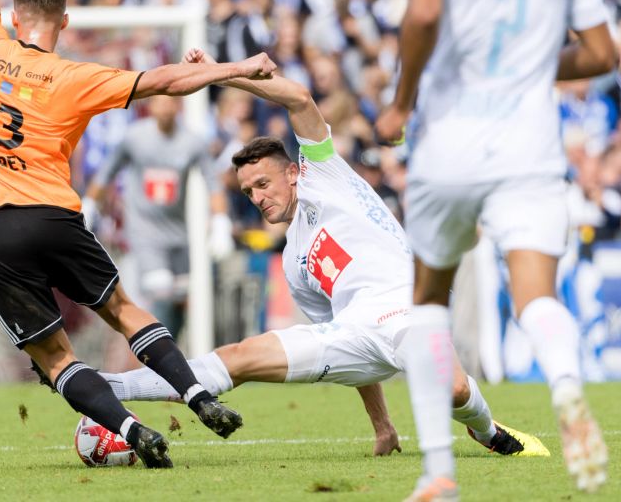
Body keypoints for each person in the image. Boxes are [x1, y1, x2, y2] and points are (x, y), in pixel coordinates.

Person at [100, 48, 548, 462]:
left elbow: (297, 97)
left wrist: (224, 73)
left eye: (263, 184)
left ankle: (487, 431)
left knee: (450, 390)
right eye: (248, 191)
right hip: (356, 332)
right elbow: (347, 352)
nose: (257, 197)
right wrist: (383, 425)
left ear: (293, 173)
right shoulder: (295, 261)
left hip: (407, 309)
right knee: (239, 356)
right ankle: (102, 385)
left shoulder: (325, 175)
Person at [0, 0, 276, 469]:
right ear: (65, 21)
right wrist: (234, 68)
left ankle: (129, 429)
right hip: (52, 215)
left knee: (56, 359)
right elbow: (167, 82)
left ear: (14, 17)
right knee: (125, 312)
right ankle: (197, 396)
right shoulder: (74, 77)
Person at [374, 0, 617, 499]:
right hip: (529, 150)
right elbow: (603, 55)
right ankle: (564, 382)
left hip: (450, 149)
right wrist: (527, 71)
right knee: (537, 298)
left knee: (429, 301)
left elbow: (425, 10)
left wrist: (402, 101)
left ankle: (438, 474)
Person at [85, 94, 234, 340]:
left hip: (179, 234)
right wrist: (89, 206)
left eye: (170, 102)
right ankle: (157, 364)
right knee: (160, 290)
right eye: (159, 102)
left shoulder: (192, 142)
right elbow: (106, 173)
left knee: (180, 299)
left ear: (178, 106)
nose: (165, 107)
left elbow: (214, 185)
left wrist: (220, 223)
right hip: (145, 231)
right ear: (150, 106)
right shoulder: (134, 138)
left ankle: (166, 357)